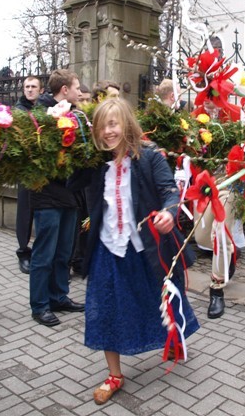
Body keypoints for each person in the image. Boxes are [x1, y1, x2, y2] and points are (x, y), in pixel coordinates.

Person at [68, 98, 199, 405]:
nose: (108, 131)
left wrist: (168, 212)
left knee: (161, 296)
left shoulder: (149, 156)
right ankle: (115, 374)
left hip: (145, 246)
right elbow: (72, 182)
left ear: (126, 123)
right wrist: (76, 151)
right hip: (107, 247)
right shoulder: (96, 163)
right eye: (102, 126)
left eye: (113, 124)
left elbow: (169, 190)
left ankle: (174, 335)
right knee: (105, 307)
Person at [29, 69, 84, 327]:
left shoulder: (73, 115)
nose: (79, 92)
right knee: (44, 254)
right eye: (76, 87)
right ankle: (40, 305)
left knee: (63, 252)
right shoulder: (41, 116)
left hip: (69, 195)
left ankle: (59, 296)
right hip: (48, 196)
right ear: (64, 90)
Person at [190, 97, 245, 318]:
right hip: (204, 184)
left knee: (219, 234)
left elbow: (244, 148)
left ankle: (216, 290)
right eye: (207, 97)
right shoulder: (195, 118)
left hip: (229, 183)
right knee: (202, 238)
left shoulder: (235, 115)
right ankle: (232, 252)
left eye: (215, 97)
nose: (211, 103)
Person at [13, 75, 44, 274]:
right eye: (27, 86)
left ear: (41, 90)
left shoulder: (46, 109)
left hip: (43, 169)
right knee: (25, 212)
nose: (30, 89)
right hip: (25, 169)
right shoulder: (18, 111)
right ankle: (23, 251)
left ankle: (39, 251)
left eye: (34, 86)